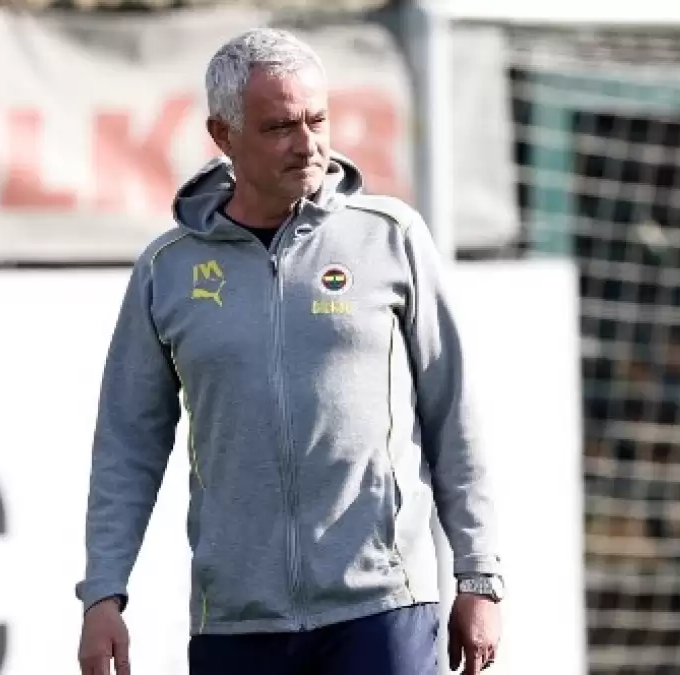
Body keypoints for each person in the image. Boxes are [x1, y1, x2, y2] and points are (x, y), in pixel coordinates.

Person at [75, 27, 504, 675]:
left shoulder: (391, 238)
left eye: (318, 120)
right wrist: (103, 593)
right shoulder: (167, 270)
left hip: (381, 611)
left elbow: (454, 416)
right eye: (279, 127)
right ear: (222, 136)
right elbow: (125, 445)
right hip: (235, 623)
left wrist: (478, 574)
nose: (307, 144)